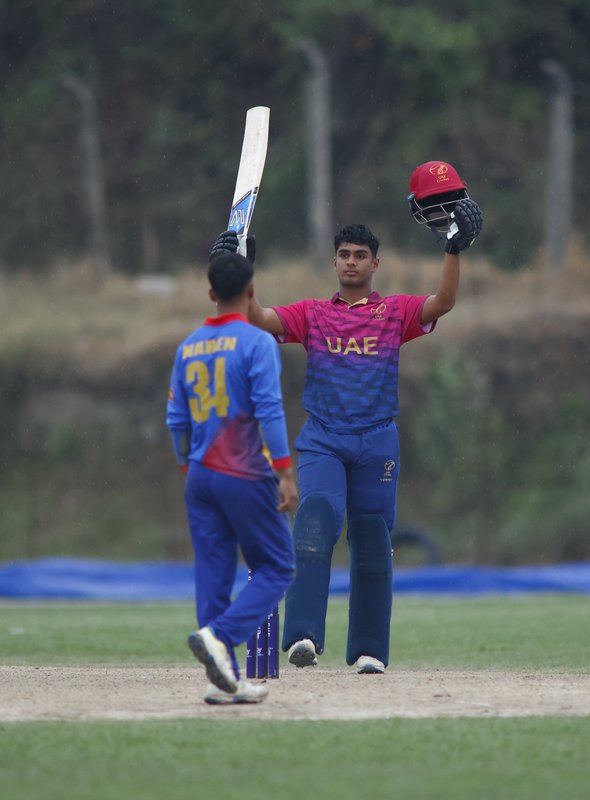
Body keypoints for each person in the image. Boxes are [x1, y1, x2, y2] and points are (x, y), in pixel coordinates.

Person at [209, 160, 483, 674]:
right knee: (314, 520)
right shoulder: (312, 313)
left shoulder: (395, 311)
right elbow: (259, 317)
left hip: (377, 440)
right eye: (343, 255)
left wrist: (452, 247)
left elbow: (444, 301)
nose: (351, 262)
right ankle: (304, 637)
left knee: (374, 540)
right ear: (334, 262)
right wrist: (235, 277)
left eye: (360, 256)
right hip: (324, 441)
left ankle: (369, 651)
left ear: (375, 265)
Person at [166, 251, 299, 705]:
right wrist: (284, 472)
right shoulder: (256, 343)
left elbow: (176, 420)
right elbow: (270, 411)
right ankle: (221, 639)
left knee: (213, 572)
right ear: (251, 292)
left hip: (200, 475)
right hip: (242, 471)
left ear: (209, 293)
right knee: (278, 565)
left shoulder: (188, 346)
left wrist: (189, 471)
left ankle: (221, 679)